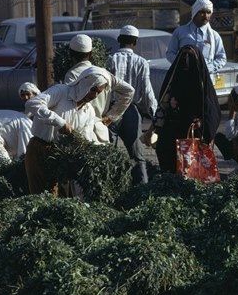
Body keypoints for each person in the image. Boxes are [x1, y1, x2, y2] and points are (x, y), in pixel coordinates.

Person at [24, 65, 111, 195]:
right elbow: (32, 104)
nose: (95, 95)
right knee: (41, 196)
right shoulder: (61, 91)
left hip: (62, 157)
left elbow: (85, 138)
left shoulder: (88, 111)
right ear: (85, 83)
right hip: (40, 150)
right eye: (94, 90)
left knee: (63, 198)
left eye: (99, 92)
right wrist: (60, 122)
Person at [140, 45, 221, 173]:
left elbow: (212, 112)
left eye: (190, 56)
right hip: (172, 131)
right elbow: (163, 107)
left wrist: (202, 124)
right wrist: (151, 131)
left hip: (193, 133)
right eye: (183, 56)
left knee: (192, 171)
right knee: (168, 163)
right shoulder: (173, 79)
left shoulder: (202, 84)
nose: (186, 60)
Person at [107, 25, 158, 184]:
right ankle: (142, 190)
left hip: (112, 111)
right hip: (131, 111)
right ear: (135, 43)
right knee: (137, 156)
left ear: (119, 41)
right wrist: (156, 116)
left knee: (107, 154)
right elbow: (147, 92)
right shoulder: (141, 62)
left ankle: (108, 187)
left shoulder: (110, 60)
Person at [64, 33, 135, 143]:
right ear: (91, 54)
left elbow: (71, 104)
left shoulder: (71, 75)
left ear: (70, 54)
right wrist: (110, 117)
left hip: (79, 133)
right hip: (101, 131)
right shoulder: (103, 73)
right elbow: (129, 91)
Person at [166, 0, 227, 73]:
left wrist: (207, 68)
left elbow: (222, 58)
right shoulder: (180, 32)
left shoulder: (214, 36)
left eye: (208, 12)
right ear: (195, 12)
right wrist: (181, 64)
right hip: (184, 77)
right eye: (202, 12)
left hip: (205, 79)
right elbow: (170, 53)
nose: (205, 16)